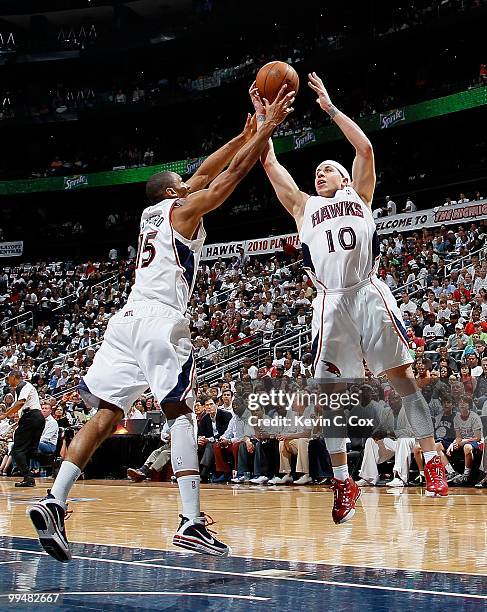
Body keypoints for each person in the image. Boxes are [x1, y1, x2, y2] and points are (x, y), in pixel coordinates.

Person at [28, 87, 295, 561]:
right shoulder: (183, 210)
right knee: (181, 414)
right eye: (183, 182)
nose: (191, 181)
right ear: (175, 192)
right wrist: (268, 129)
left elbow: (207, 170)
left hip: (124, 321)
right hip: (159, 320)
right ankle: (191, 521)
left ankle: (54, 499)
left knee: (107, 415)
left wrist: (246, 131)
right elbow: (222, 180)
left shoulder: (154, 214)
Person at [250, 72, 448, 526]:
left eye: (328, 169)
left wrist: (330, 109)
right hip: (330, 303)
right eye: (317, 171)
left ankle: (432, 460)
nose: (320, 173)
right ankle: (344, 481)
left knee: (401, 380)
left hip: (367, 292)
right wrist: (265, 121)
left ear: (344, 178)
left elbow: (365, 150)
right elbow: (270, 165)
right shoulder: (304, 207)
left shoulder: (360, 194)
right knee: (329, 397)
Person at [0, 370, 45, 487]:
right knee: (31, 450)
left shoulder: (23, 385)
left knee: (17, 450)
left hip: (31, 417)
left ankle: (28, 477)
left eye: (8, 378)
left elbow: (20, 403)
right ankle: (51, 465)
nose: (7, 381)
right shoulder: (22, 388)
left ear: (14, 377)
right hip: (37, 418)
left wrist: (6, 414)